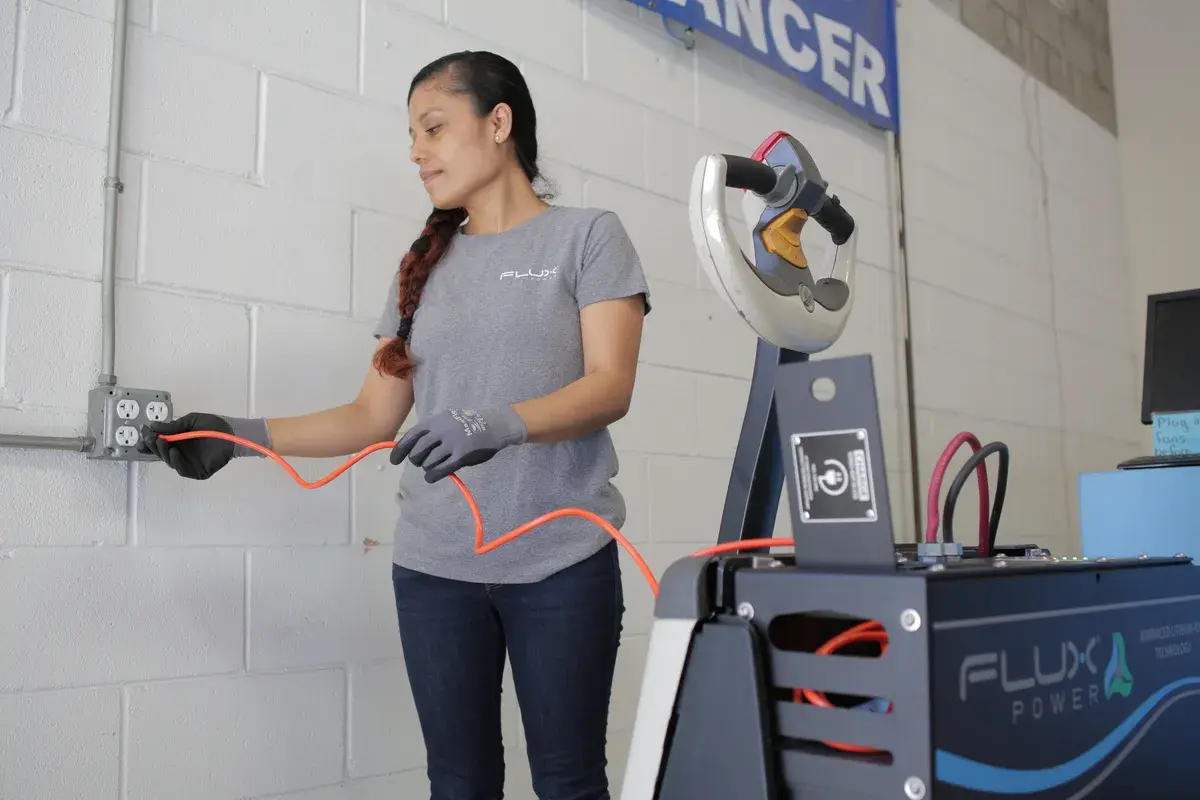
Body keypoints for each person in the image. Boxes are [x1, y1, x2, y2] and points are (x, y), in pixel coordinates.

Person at [140, 50, 651, 800]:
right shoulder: (423, 266)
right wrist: (240, 434)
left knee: (568, 783)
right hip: (434, 569)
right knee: (459, 783)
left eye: (433, 128)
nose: (416, 151)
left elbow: (610, 386)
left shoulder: (588, 237)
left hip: (561, 564)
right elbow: (371, 415)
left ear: (498, 122)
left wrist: (499, 422)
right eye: (412, 134)